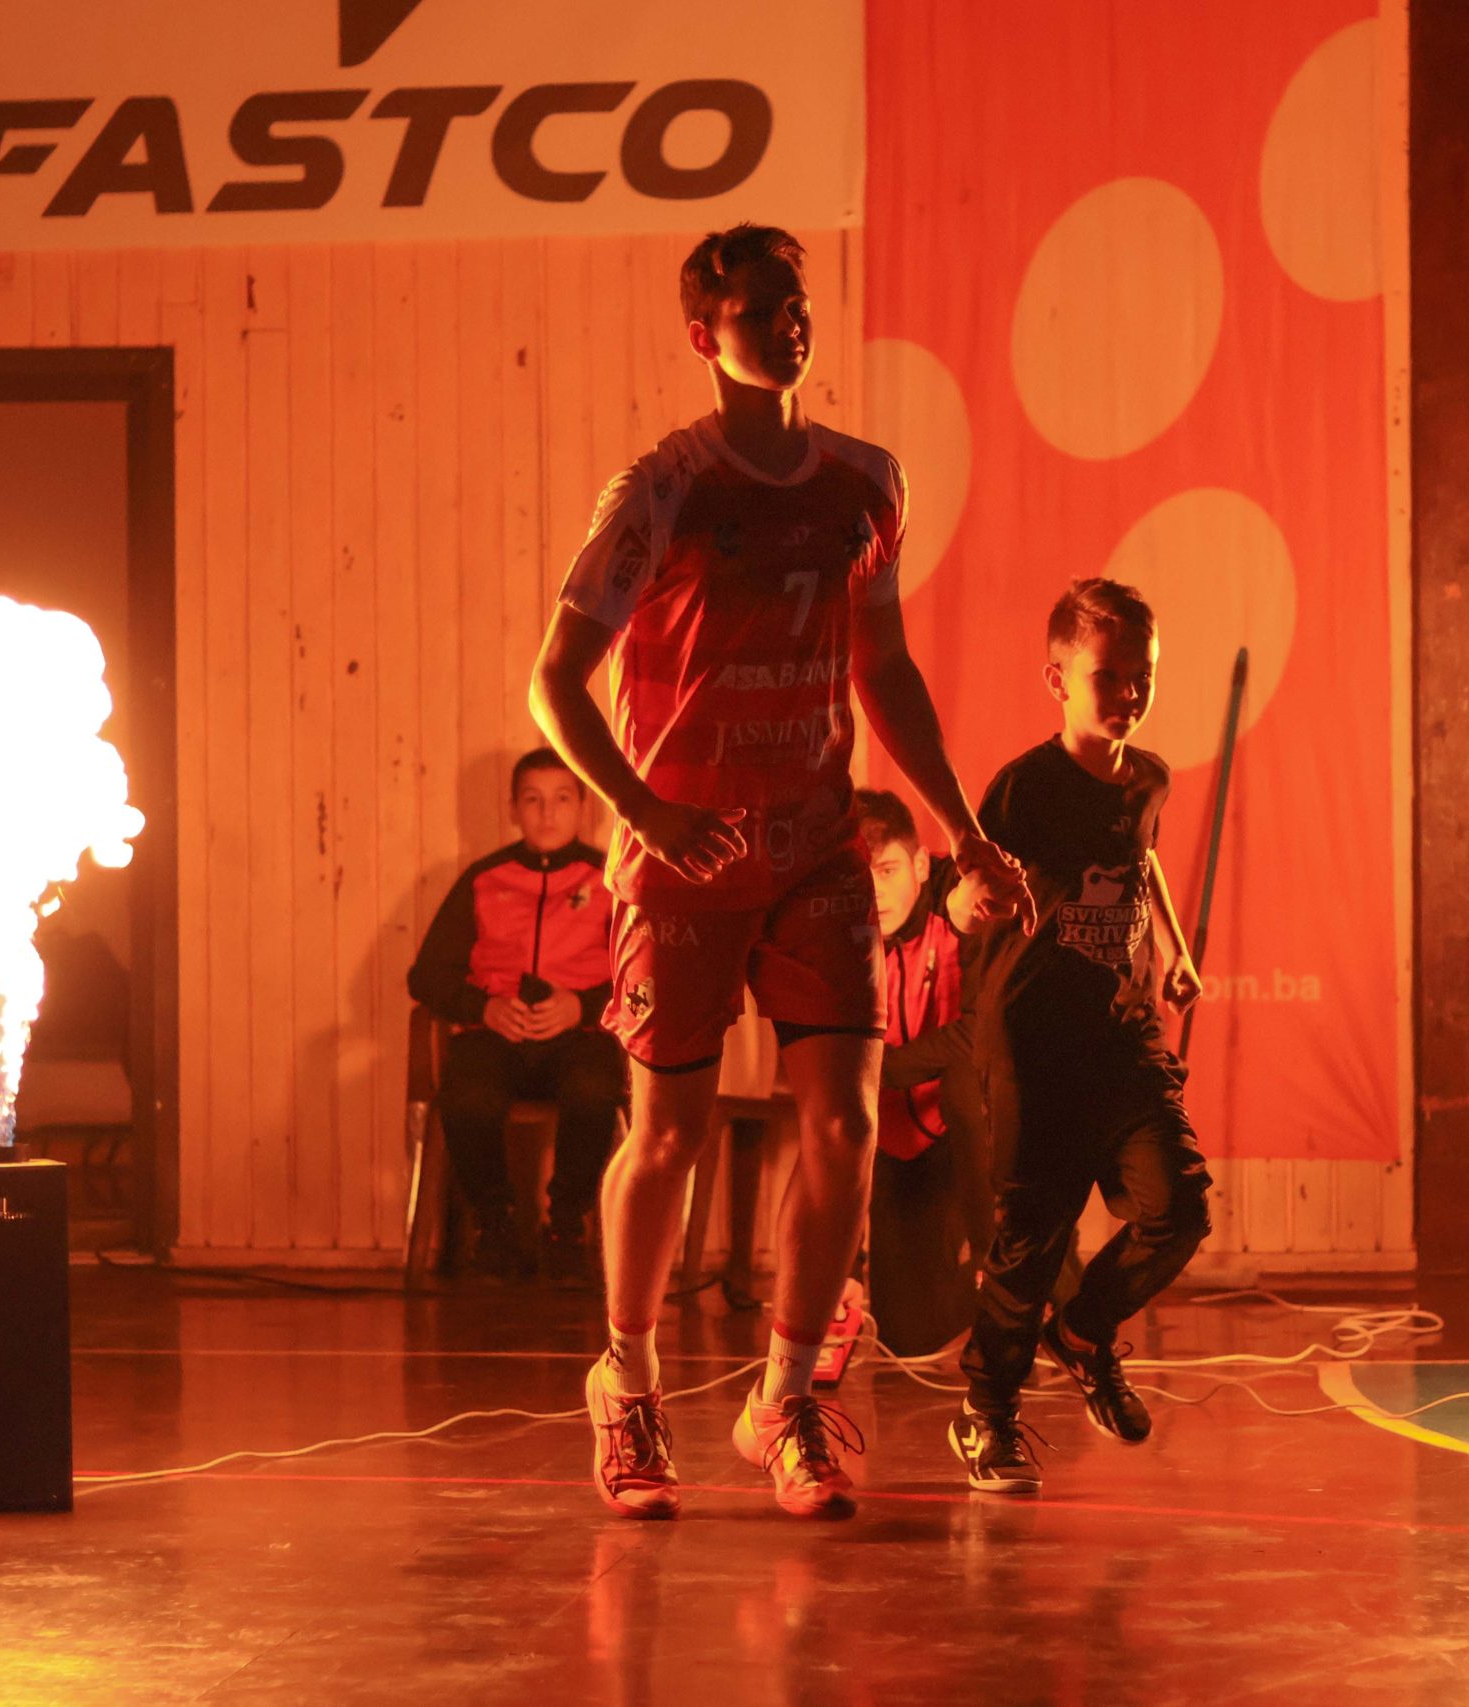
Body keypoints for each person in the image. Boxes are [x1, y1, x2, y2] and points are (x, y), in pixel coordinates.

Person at [529, 222, 1031, 1521]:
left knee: (846, 1124)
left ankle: (787, 1398)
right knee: (670, 1133)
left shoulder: (866, 483)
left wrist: (961, 825)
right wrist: (644, 808)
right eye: (758, 309)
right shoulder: (662, 489)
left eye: (796, 303)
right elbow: (554, 684)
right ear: (706, 335)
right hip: (684, 862)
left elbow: (884, 666)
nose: (787, 324)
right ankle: (627, 1380)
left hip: (814, 850)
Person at [949, 578, 1212, 1498]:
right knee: (1031, 1242)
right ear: (1058, 679)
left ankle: (1085, 1333)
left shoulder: (1149, 778)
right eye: (1110, 677)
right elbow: (962, 887)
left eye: (1144, 675)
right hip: (1033, 1044)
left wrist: (1172, 947)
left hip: (1121, 1036)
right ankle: (987, 1410)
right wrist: (969, 900)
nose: (1130, 693)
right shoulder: (1024, 787)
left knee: (1179, 1207)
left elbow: (1142, 859)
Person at [407, 747, 624, 1281]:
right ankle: (494, 1227)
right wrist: (485, 1007)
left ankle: (567, 1228)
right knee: (467, 1094)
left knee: (594, 1088)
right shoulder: (485, 878)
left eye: (562, 799)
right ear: (513, 810)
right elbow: (427, 975)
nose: (547, 813)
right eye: (533, 800)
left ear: (584, 809)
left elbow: (645, 975)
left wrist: (581, 1006)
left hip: (579, 1036)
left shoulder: (610, 880)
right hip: (494, 1035)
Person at [841, 787, 994, 1363]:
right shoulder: (835, 936)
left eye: (887, 870)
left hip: (967, 1131)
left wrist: (877, 1069)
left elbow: (977, 1036)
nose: (875, 890)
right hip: (894, 1144)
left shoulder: (966, 910)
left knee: (968, 1083)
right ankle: (990, 1296)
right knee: (906, 1340)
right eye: (861, 873)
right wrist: (846, 1265)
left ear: (921, 865)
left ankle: (1019, 1272)